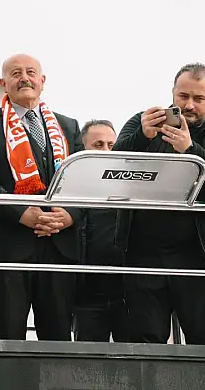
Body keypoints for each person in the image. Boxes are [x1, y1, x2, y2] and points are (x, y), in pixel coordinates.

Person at [113, 62, 205, 345]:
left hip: (197, 255)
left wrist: (190, 150)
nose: (190, 105)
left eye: (199, 99)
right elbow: (114, 164)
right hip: (143, 253)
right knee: (146, 339)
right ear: (172, 93)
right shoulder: (142, 122)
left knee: (204, 337)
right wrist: (142, 137)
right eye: (183, 97)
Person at [0, 54, 84, 341]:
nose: (24, 78)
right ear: (3, 83)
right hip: (8, 246)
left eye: (31, 72)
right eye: (16, 73)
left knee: (57, 338)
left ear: (42, 81)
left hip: (59, 247)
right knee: (7, 337)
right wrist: (21, 212)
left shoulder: (68, 126)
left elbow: (84, 182)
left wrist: (69, 215)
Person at [73, 120, 128, 342]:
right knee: (87, 368)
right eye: (98, 145)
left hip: (128, 293)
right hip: (87, 295)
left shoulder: (133, 189)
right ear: (83, 150)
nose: (106, 151)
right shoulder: (70, 187)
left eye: (111, 145)